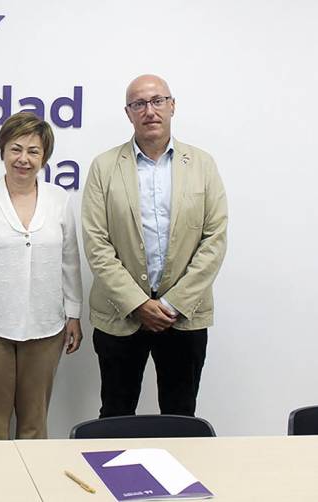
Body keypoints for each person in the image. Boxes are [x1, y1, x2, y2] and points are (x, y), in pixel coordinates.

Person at [81, 74, 228, 418]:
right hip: (121, 314)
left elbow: (214, 238)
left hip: (184, 315)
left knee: (180, 416)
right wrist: (137, 303)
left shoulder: (202, 165)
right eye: (139, 104)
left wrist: (173, 303)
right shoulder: (104, 167)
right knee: (115, 414)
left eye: (158, 101)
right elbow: (96, 242)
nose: (150, 110)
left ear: (172, 106)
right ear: (128, 113)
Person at [0, 112, 82, 439]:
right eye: (16, 149)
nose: (23, 159)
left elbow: (70, 262)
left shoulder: (60, 201)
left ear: (45, 157)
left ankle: (31, 489)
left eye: (33, 151)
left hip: (46, 327)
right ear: (3, 151)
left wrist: (74, 315)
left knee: (34, 424)